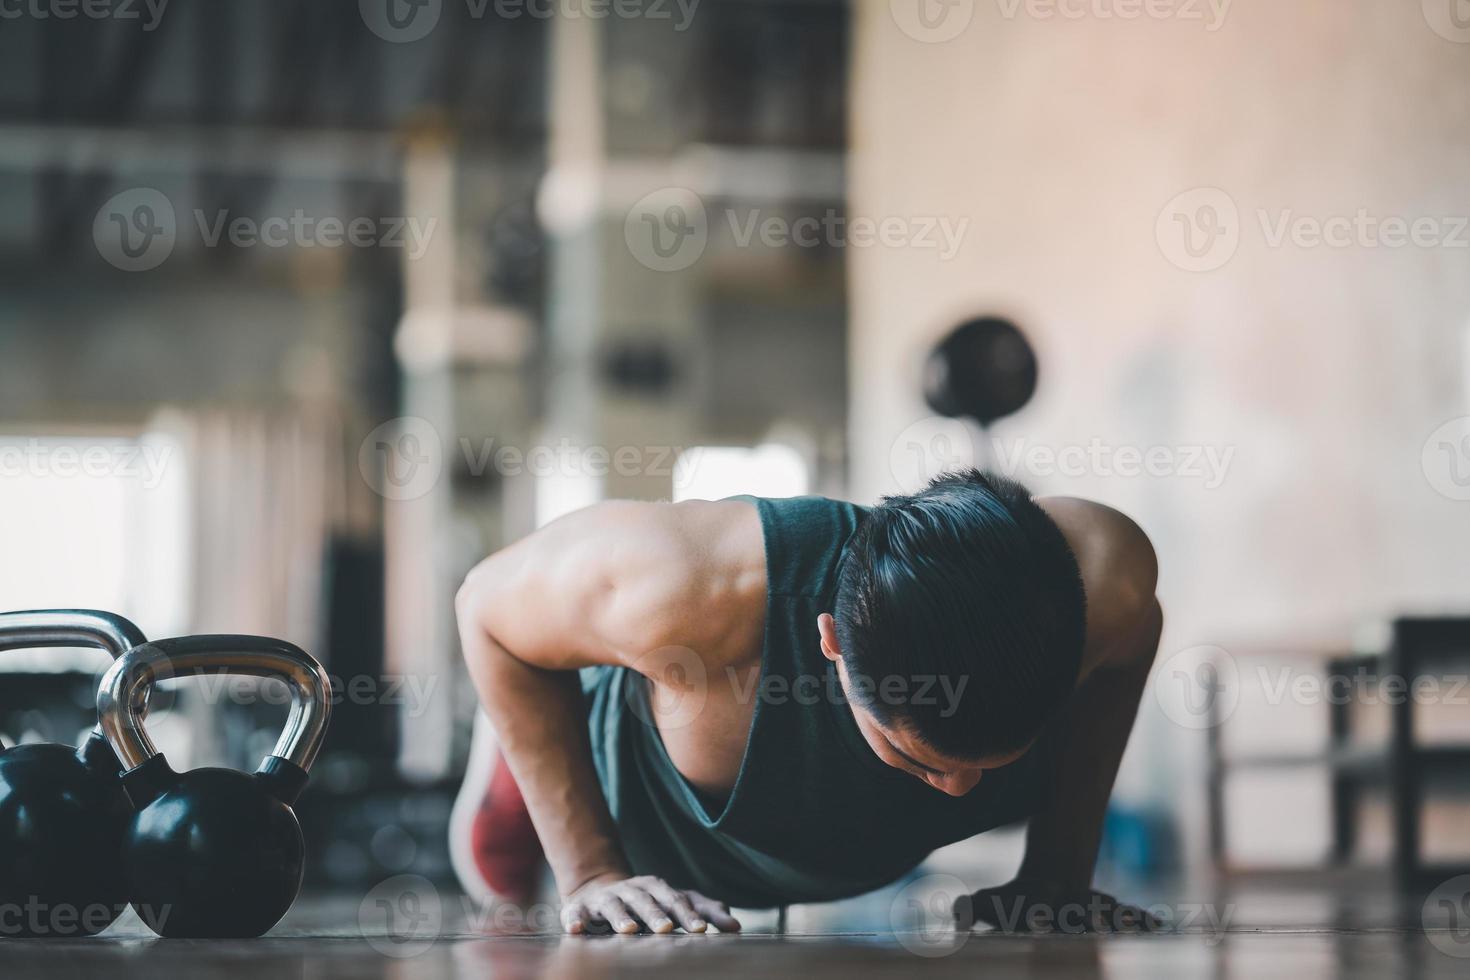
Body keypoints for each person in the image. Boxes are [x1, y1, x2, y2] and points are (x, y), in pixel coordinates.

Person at [451, 470, 1162, 935]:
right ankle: (515, 765)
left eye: (990, 764)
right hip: (638, 799)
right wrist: (590, 871)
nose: (960, 790)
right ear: (831, 643)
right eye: (921, 757)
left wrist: (1058, 873)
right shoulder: (690, 585)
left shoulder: (1104, 584)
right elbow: (484, 607)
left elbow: (1137, 635)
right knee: (509, 887)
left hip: (831, 834)